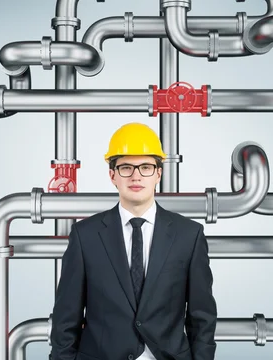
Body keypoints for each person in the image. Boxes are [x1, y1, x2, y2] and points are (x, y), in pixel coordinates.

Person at [50, 122, 217, 360]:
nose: (136, 176)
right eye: (126, 167)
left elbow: (202, 319)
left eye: (146, 167)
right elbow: (65, 319)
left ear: (158, 173)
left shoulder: (188, 235)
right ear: (112, 175)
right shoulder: (85, 235)